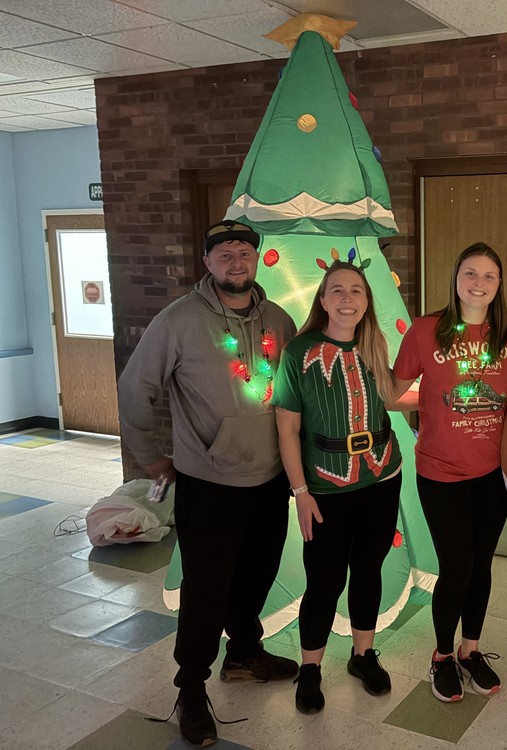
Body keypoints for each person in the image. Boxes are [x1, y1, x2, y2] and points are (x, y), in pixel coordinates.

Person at [118, 220, 298, 747]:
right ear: (208, 262)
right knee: (205, 589)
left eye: (244, 251)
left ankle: (243, 653)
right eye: (225, 253)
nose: (236, 260)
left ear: (256, 259)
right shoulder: (177, 321)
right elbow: (135, 387)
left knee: (258, 572)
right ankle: (191, 689)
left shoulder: (280, 320)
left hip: (269, 478)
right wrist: (151, 460)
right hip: (209, 482)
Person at [392, 242, 507, 702]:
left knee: (481, 565)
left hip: (493, 474)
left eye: (489, 276)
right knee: (456, 566)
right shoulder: (427, 330)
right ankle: (442, 657)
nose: (479, 284)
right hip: (441, 472)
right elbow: (394, 394)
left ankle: (471, 651)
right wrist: (431, 401)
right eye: (470, 273)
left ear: (499, 284)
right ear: (455, 278)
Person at [269, 261, 403, 713]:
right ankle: (310, 668)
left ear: (367, 303)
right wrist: (300, 492)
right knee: (324, 579)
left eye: (357, 292)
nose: (348, 299)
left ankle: (363, 655)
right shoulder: (298, 354)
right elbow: (287, 430)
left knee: (369, 570)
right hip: (325, 488)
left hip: (382, 477)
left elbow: (392, 397)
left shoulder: (375, 346)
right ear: (323, 300)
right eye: (338, 291)